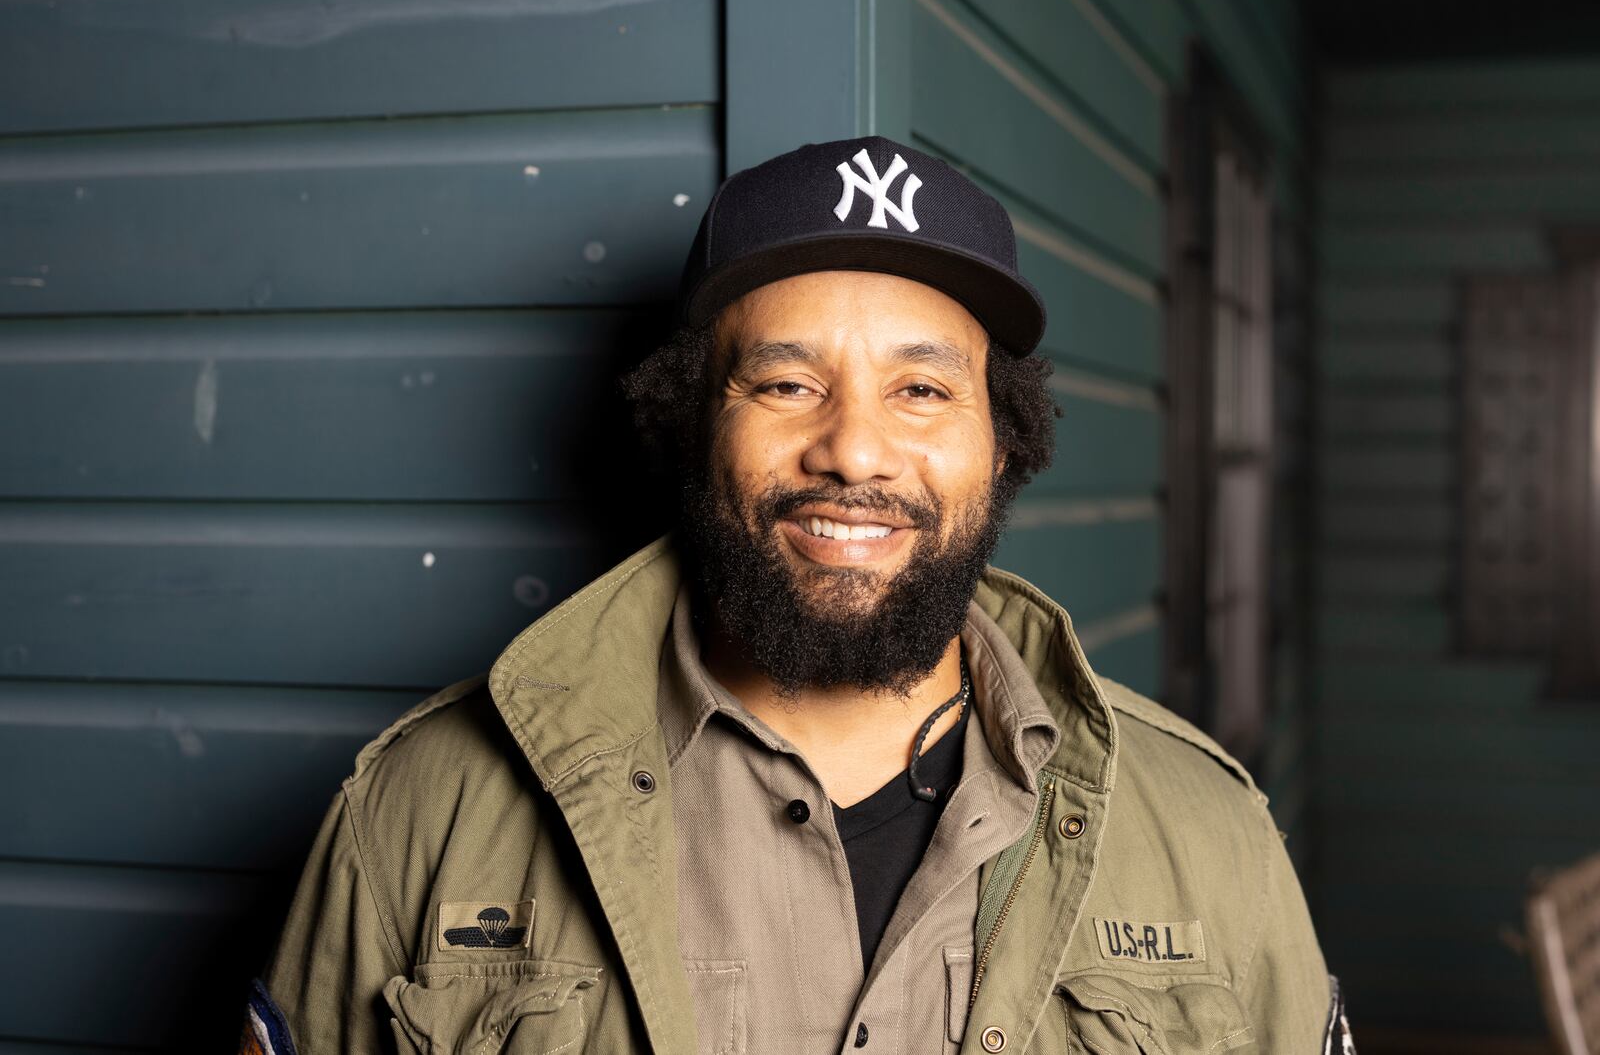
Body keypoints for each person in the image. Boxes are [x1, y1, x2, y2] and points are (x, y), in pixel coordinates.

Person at [244, 136, 1350, 1054]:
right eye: (785, 382)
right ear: (692, 425)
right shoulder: (418, 812)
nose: (853, 448)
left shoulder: (1209, 834)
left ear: (1003, 441)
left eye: (921, 388)